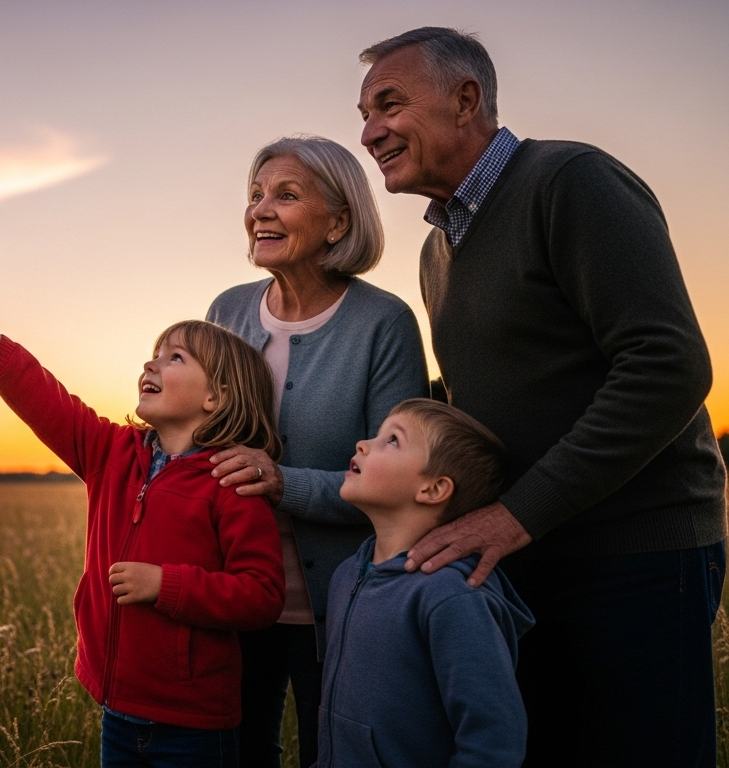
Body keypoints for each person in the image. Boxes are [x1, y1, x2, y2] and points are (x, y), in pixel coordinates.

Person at [356, 27, 727, 766]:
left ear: (465, 100)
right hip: (526, 560)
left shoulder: (570, 182)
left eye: (388, 105)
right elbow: (476, 401)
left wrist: (516, 515)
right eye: (363, 113)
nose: (369, 132)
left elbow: (669, 365)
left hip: (636, 560)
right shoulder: (437, 253)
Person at [0, 276, 286, 768]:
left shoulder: (232, 484)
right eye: (154, 354)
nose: (151, 363)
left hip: (195, 726)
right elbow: (47, 401)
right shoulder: (111, 453)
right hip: (117, 712)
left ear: (216, 397)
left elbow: (262, 596)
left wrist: (167, 585)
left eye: (174, 358)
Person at [204, 135, 428, 768]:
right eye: (255, 195)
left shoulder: (384, 323)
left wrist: (282, 482)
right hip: (234, 596)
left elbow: (395, 486)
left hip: (340, 604)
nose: (260, 210)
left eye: (287, 195)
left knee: (336, 754)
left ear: (339, 221)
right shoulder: (226, 312)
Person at [319, 398, 533, 768]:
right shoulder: (346, 575)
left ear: (433, 489)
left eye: (393, 440)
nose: (363, 444)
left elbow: (494, 741)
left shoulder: (450, 597)